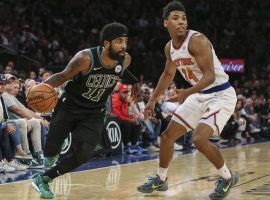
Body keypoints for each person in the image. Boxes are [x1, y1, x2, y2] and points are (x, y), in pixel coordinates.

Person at [137, 1, 239, 199]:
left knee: (199, 139)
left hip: (221, 94)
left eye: (183, 18)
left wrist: (186, 93)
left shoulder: (197, 40)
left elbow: (209, 76)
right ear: (165, 23)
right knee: (166, 137)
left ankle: (227, 177)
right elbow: (167, 74)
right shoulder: (170, 48)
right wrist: (151, 100)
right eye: (175, 18)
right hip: (199, 95)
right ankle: (161, 178)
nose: (181, 22)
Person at [32, 22, 138, 199]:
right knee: (50, 152)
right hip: (69, 106)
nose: (124, 46)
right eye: (119, 41)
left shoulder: (125, 59)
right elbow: (62, 76)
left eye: (125, 41)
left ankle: (43, 179)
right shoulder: (85, 58)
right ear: (106, 43)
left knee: (84, 155)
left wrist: (134, 81)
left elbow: (119, 70)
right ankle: (50, 154)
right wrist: (37, 90)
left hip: (94, 112)